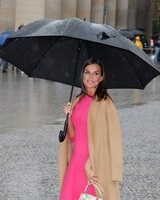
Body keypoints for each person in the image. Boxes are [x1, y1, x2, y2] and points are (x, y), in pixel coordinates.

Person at [58, 58, 123, 200]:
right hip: (76, 160)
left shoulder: (105, 103)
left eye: (95, 73)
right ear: (82, 75)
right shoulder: (78, 99)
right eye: (87, 73)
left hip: (95, 161)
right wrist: (68, 117)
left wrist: (89, 164)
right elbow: (73, 137)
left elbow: (106, 138)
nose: (91, 77)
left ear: (101, 78)